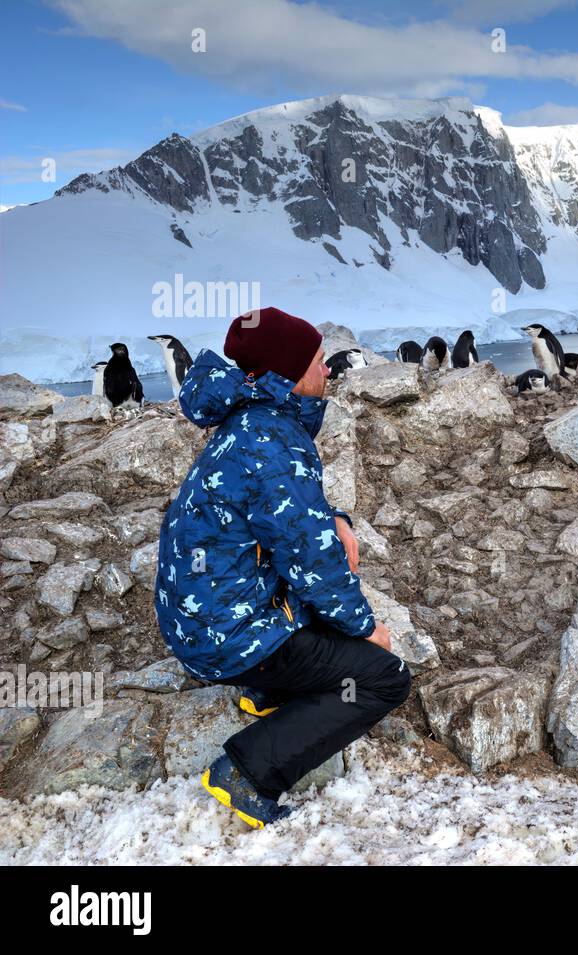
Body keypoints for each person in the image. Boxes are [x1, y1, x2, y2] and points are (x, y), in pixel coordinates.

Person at [154, 306, 410, 828]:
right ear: (288, 374)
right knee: (382, 679)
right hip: (225, 635)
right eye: (318, 361)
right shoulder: (272, 439)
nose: (327, 370)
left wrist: (334, 517)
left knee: (323, 619)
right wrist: (367, 630)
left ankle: (271, 692)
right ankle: (248, 773)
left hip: (206, 619)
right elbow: (313, 562)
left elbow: (281, 517)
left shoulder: (255, 423)